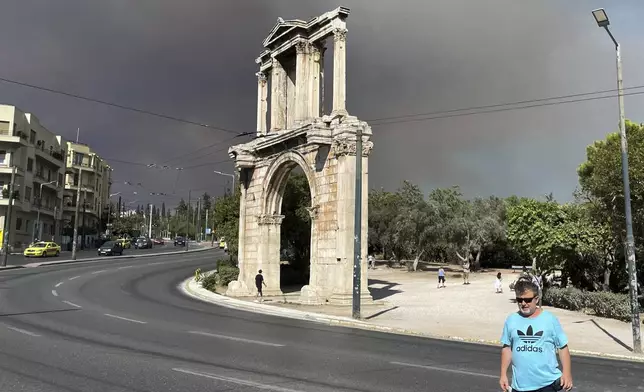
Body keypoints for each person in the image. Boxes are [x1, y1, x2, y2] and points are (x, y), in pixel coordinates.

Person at [500, 280, 573, 392]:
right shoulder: (511, 320)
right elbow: (507, 348)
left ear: (537, 299)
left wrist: (567, 374)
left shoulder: (550, 319)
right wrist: (503, 374)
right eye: (519, 300)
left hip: (546, 384)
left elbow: (563, 347)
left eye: (528, 300)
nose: (523, 303)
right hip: (519, 386)